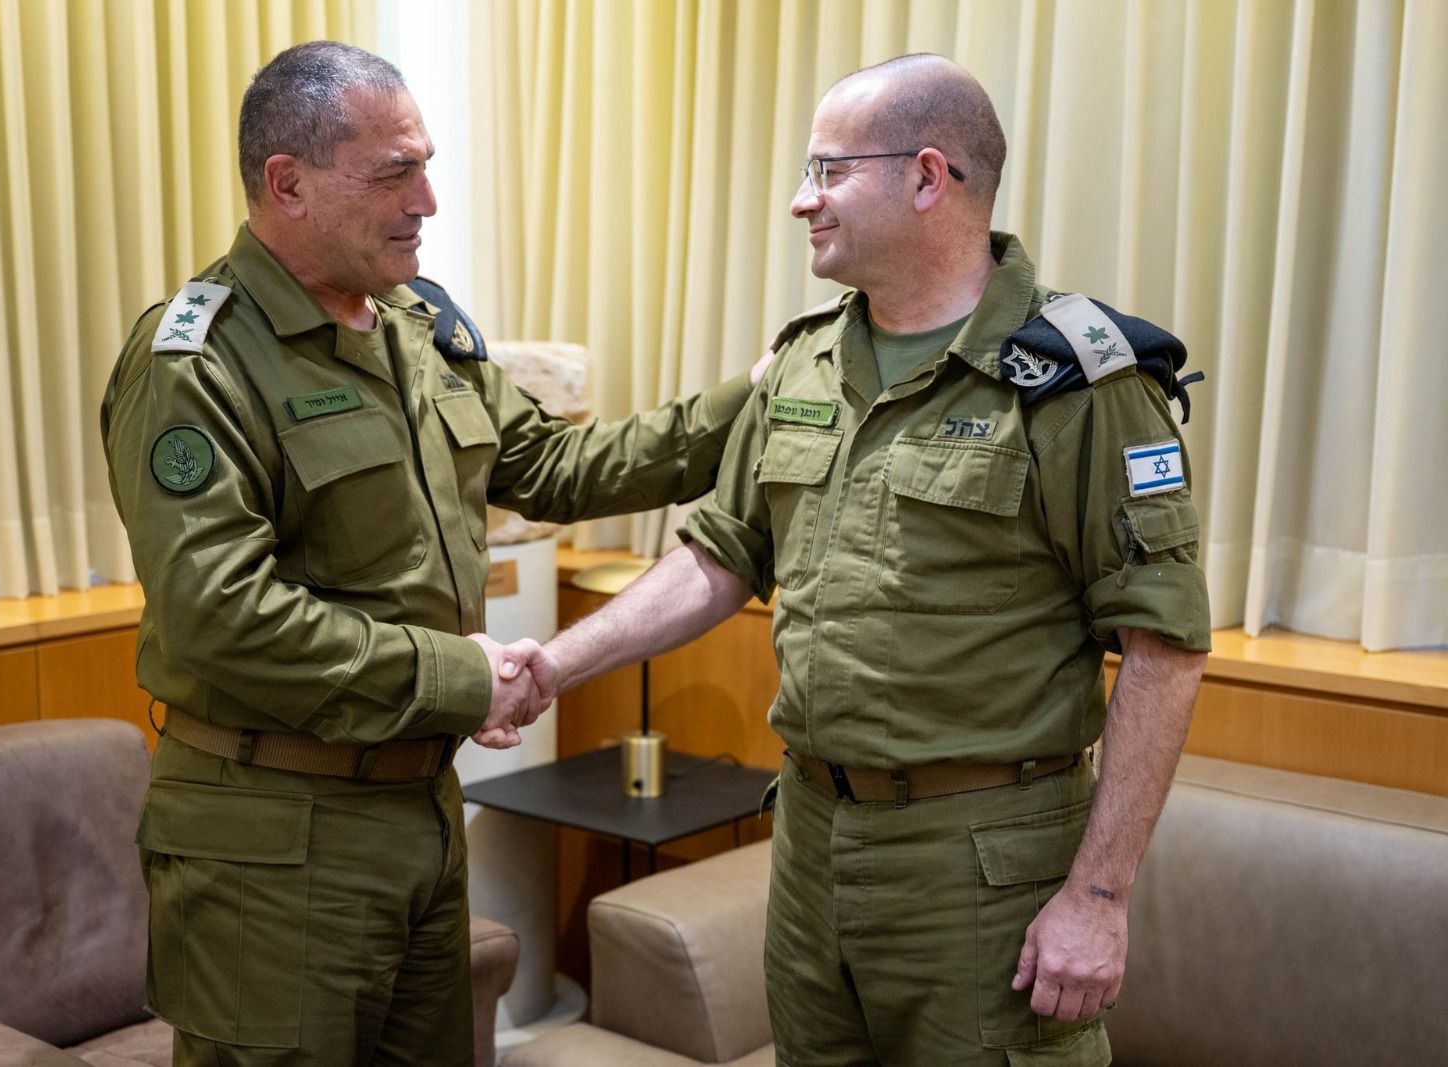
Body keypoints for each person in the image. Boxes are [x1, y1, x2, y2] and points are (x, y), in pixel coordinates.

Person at [521, 54, 1210, 1066]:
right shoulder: (804, 360)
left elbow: (1164, 645)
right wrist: (552, 666)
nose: (802, 200)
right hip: (810, 839)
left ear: (928, 177)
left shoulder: (1079, 381)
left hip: (980, 863)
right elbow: (719, 558)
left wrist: (1099, 894)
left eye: (829, 171)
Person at [101, 40, 767, 1067]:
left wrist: (751, 399)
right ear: (288, 183)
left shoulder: (415, 326)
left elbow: (553, 466)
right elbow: (218, 614)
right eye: (394, 172)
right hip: (273, 835)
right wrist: (461, 676)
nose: (429, 201)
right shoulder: (197, 359)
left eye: (427, 164)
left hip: (418, 807)